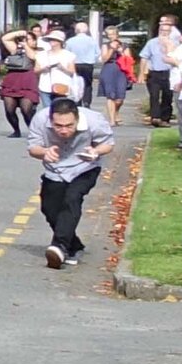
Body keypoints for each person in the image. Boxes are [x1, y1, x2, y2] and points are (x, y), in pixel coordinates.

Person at [28, 68, 115, 268]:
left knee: (72, 199)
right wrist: (44, 152)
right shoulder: (40, 120)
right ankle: (73, 243)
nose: (64, 130)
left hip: (85, 166)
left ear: (77, 118)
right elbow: (33, 147)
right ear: (51, 120)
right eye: (59, 126)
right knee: (49, 209)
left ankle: (59, 246)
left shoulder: (94, 120)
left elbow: (108, 143)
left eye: (69, 125)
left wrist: (95, 151)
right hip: (55, 169)